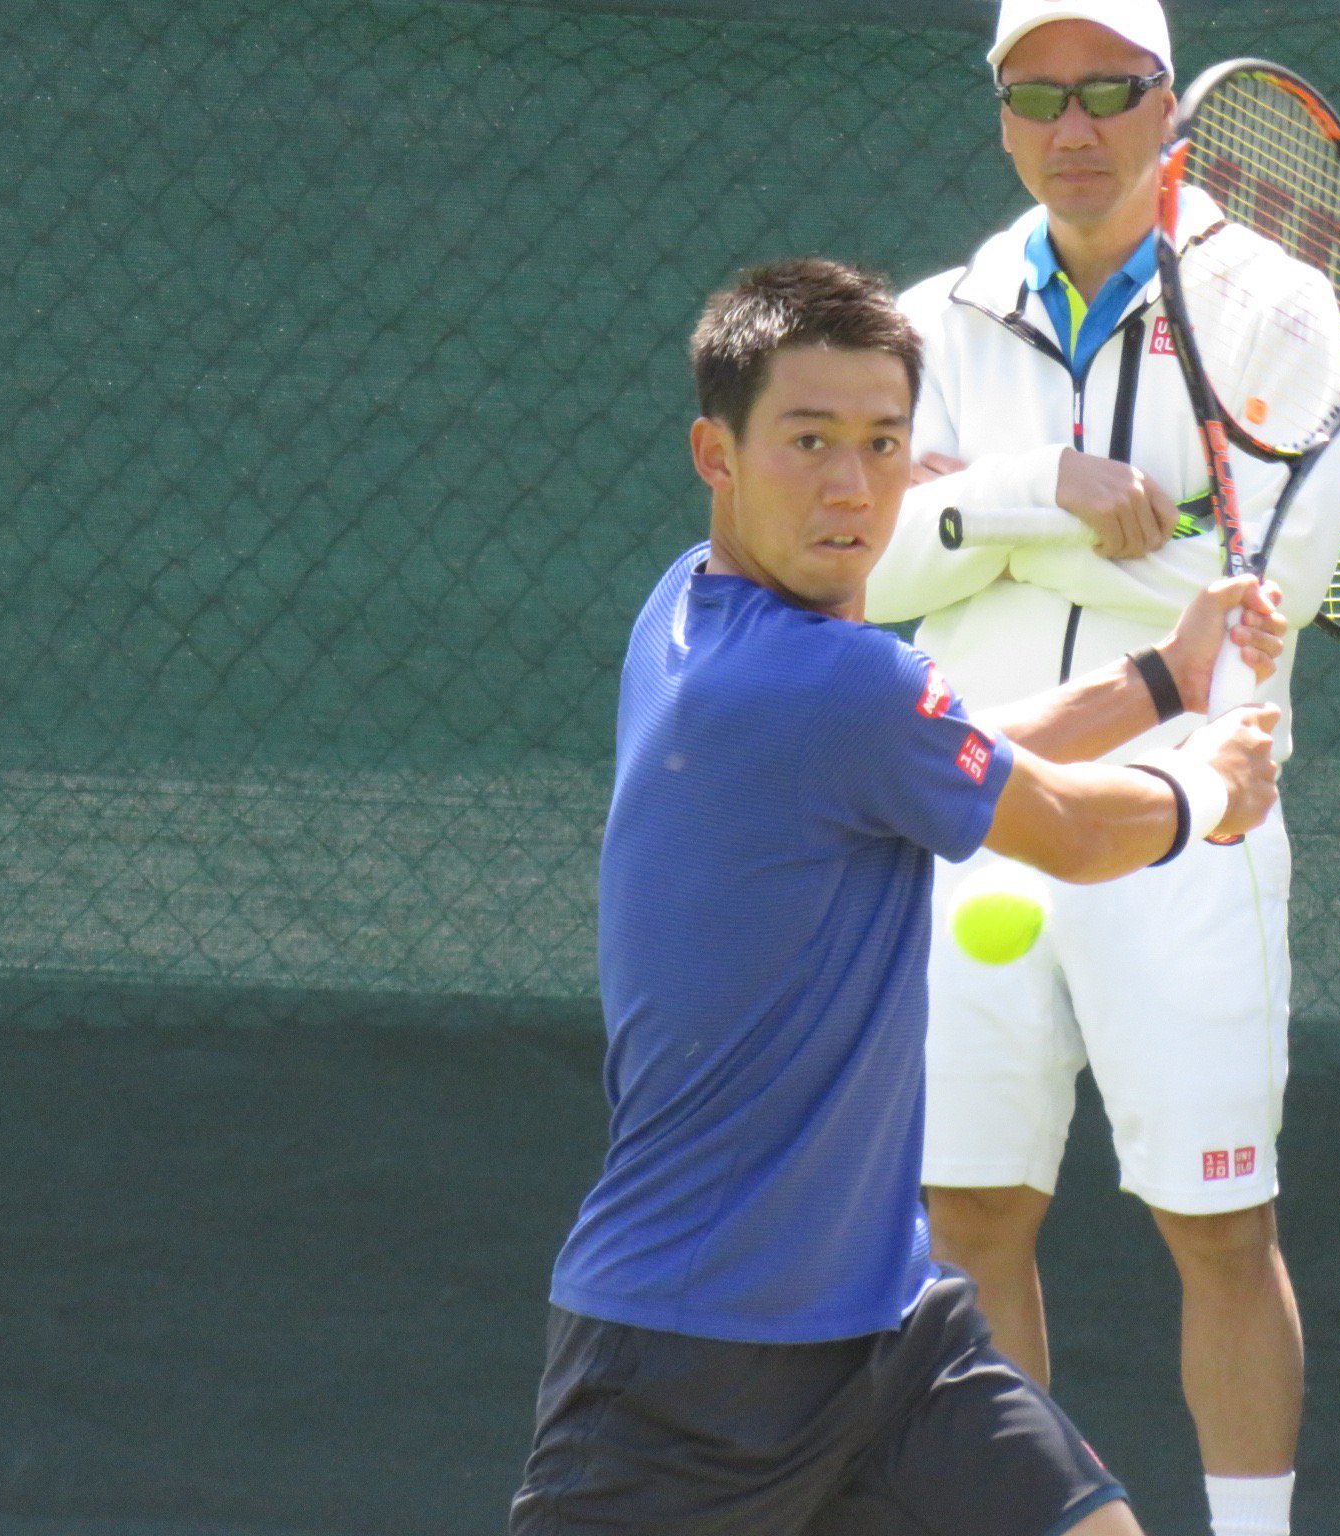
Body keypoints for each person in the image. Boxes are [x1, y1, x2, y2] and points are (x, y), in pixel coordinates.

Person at [510, 255, 1287, 1536]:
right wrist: (1205, 791)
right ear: (716, 451)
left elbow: (944, 750)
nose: (850, 488)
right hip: (690, 1356)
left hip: (894, 1334)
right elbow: (1067, 832)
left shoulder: (688, 612)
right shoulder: (829, 687)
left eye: (881, 444)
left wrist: (1160, 678)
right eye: (806, 442)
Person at [861, 6, 1340, 1536]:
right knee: (970, 1219)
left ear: (1167, 110)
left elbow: (1283, 586)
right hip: (974, 817)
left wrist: (972, 523)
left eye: (1107, 93)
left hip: (1190, 817)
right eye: (1034, 95)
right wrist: (1046, 489)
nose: (1072, 129)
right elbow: (863, 574)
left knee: (1217, 1222)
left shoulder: (1275, 312)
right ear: (1000, 111)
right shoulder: (930, 321)